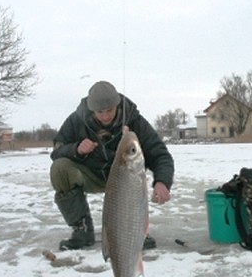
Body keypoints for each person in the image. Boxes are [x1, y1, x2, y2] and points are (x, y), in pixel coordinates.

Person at [50, 80, 174, 250]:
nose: (106, 116)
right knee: (59, 168)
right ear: (91, 108)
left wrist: (162, 182)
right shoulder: (76, 120)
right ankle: (82, 230)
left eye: (110, 110)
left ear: (117, 105)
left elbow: (160, 154)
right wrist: (76, 149)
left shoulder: (134, 120)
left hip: (126, 178)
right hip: (92, 175)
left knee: (134, 167)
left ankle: (135, 232)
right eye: (100, 112)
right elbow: (57, 151)